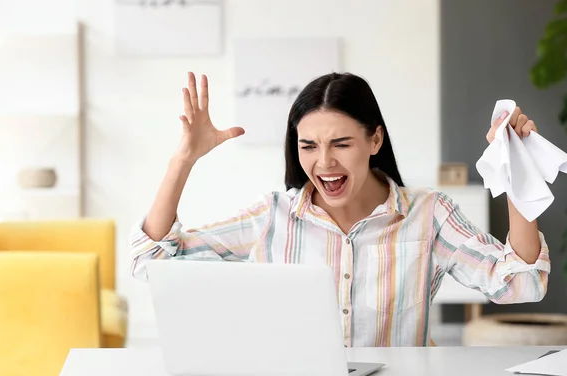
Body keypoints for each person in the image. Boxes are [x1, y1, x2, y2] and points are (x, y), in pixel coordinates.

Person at [130, 71, 550, 347]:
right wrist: (182, 159)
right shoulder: (271, 217)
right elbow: (151, 261)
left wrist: (516, 171)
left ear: (375, 141)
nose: (324, 162)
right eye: (308, 145)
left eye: (341, 144)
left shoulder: (429, 214)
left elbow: (522, 283)